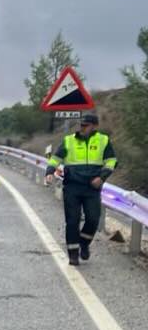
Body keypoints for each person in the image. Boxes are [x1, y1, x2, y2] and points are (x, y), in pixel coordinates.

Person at [46, 113, 118, 265]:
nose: (82, 127)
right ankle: (73, 254)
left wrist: (102, 177)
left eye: (86, 125)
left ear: (95, 126)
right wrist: (50, 172)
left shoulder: (103, 141)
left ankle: (84, 243)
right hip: (72, 186)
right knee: (72, 221)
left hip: (92, 187)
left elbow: (111, 161)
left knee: (93, 219)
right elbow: (55, 159)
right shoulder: (69, 140)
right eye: (81, 125)